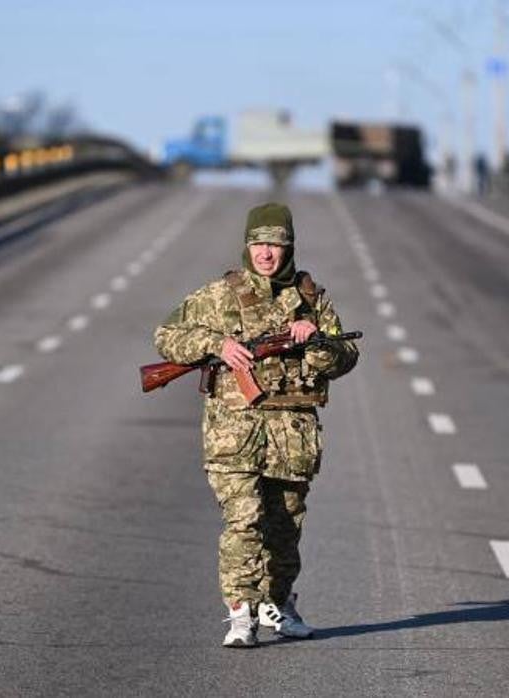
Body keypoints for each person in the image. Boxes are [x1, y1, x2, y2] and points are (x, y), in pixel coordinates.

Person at [153, 202, 359, 648]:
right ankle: (240, 612)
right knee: (244, 522)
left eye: (276, 245)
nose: (267, 253)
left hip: (292, 435)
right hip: (234, 434)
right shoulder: (219, 294)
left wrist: (314, 343)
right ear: (248, 245)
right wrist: (217, 344)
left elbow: (345, 357)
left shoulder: (310, 298)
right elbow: (167, 337)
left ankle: (279, 604)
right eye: (259, 244)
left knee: (285, 526)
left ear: (290, 247)